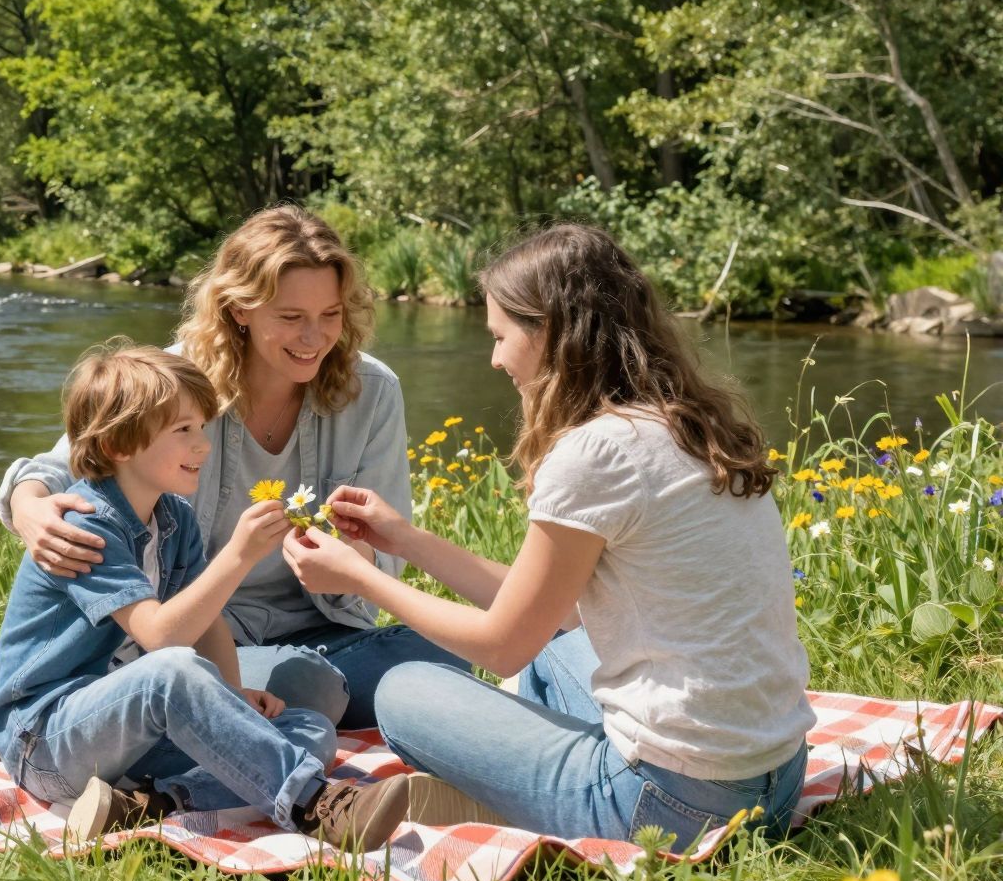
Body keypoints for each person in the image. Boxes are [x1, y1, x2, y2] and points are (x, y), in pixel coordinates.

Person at [282, 223, 814, 845]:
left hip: (671, 808)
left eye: (501, 336)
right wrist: (406, 541)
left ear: (550, 336)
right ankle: (529, 783)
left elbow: (502, 644)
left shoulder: (595, 453)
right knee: (549, 658)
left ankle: (519, 798)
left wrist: (359, 575)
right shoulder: (684, 426)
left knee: (404, 691)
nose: (495, 358)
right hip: (777, 782)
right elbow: (544, 618)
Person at [0, 341, 479, 845]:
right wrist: (240, 553)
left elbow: (208, 624)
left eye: (202, 427)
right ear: (117, 444)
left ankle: (156, 805)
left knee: (308, 728)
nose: (202, 445)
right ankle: (318, 804)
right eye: (183, 430)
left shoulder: (174, 519)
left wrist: (232, 696)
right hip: (48, 738)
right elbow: (160, 636)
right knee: (175, 671)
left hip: (128, 738)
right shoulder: (87, 524)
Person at [0, 205, 468, 728]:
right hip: (199, 634)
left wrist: (352, 555)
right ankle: (245, 702)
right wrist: (29, 507)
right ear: (240, 309)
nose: (314, 338)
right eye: (291, 318)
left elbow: (381, 568)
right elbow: (61, 466)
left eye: (330, 315)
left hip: (326, 632)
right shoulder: (175, 381)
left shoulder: (373, 392)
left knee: (443, 655)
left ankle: (256, 702)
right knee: (316, 688)